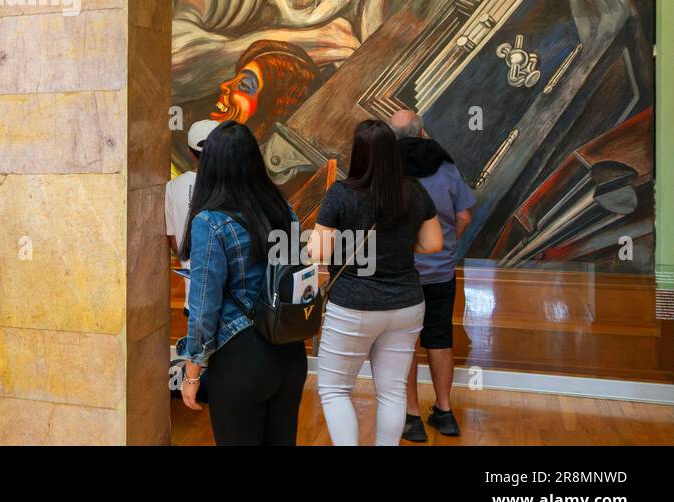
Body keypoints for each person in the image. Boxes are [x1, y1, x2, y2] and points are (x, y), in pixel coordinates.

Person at [312, 118, 443, 446]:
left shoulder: (341, 194)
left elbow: (318, 250)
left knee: (334, 389)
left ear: (357, 153)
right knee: (391, 391)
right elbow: (433, 244)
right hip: (407, 304)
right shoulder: (414, 191)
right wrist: (396, 244)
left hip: (354, 305)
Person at [177, 122, 307, 445]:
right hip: (289, 351)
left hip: (242, 357)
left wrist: (192, 372)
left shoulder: (210, 221)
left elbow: (204, 306)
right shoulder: (283, 210)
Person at [389, 110, 476, 442]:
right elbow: (464, 216)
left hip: (402, 274)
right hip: (441, 271)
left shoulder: (388, 174)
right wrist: (447, 244)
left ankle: (411, 417)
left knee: (405, 344)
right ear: (423, 131)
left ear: (393, 140)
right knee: (439, 341)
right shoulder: (447, 168)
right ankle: (444, 411)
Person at [165, 120, 219, 269]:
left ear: (189, 151)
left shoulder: (173, 187)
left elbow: (174, 240)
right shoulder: (235, 185)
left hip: (193, 282)